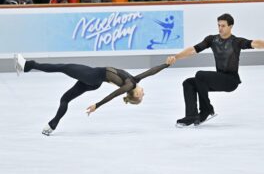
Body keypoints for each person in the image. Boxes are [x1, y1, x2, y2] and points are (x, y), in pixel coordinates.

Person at [166, 13, 264, 127]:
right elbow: (193, 50)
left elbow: (255, 43)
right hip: (218, 78)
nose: (220, 28)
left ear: (230, 26)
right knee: (188, 83)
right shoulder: (211, 39)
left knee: (200, 75)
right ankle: (191, 116)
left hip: (230, 81)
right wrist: (176, 57)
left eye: (223, 26)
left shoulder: (236, 42)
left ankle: (206, 110)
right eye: (219, 25)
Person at [14, 54, 170, 135]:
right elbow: (151, 72)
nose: (144, 93)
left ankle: (29, 65)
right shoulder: (134, 80)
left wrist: (97, 105)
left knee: (62, 67)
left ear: (135, 95)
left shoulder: (129, 85)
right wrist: (166, 64)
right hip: (94, 81)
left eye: (142, 96)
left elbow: (114, 94)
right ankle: (51, 125)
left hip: (93, 76)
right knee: (65, 99)